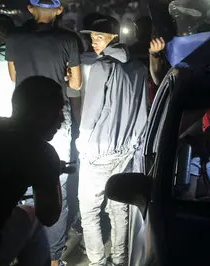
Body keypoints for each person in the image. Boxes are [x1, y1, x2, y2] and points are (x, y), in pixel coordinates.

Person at [5, 0, 82, 266]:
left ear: (30, 8)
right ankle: (53, 256)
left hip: (22, 118)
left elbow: (13, 76)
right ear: (59, 10)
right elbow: (75, 85)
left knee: (18, 180)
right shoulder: (68, 39)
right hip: (55, 118)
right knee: (54, 181)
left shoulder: (15, 38)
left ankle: (17, 246)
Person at [0, 76, 65, 266]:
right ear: (39, 113)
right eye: (58, 110)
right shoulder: (41, 152)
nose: (62, 119)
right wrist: (52, 171)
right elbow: (49, 215)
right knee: (32, 217)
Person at [76, 15, 149, 266]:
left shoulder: (102, 66)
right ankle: (120, 260)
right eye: (92, 37)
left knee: (89, 210)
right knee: (119, 208)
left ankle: (97, 262)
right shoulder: (139, 67)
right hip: (127, 149)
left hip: (98, 149)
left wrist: (82, 144)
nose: (94, 42)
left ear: (113, 38)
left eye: (99, 37)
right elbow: (143, 111)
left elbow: (91, 112)